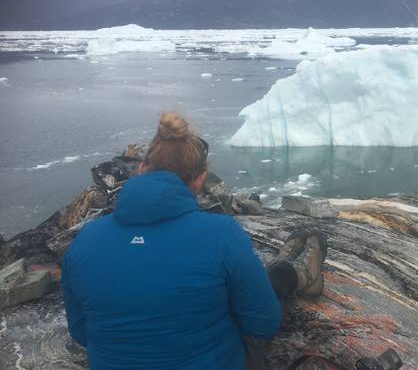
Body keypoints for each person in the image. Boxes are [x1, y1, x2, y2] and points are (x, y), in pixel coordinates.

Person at [62, 113, 327, 370]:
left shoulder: (85, 241)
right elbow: (263, 324)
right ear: (201, 179)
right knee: (265, 288)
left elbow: (82, 333)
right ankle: (296, 273)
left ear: (142, 169)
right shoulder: (221, 234)